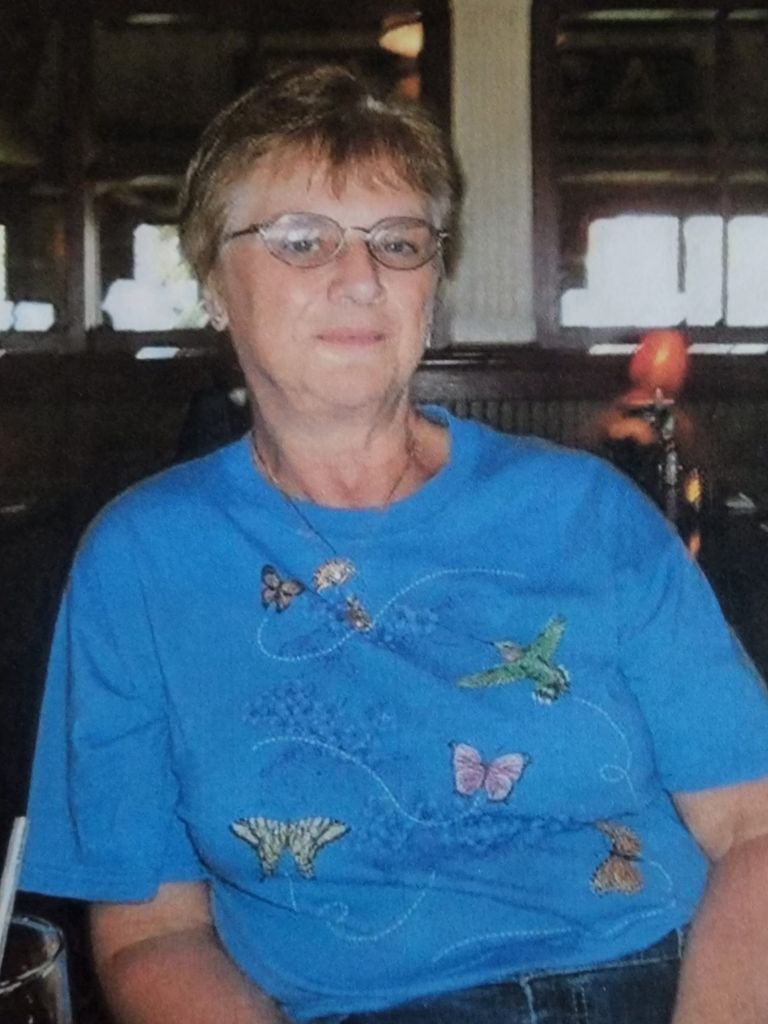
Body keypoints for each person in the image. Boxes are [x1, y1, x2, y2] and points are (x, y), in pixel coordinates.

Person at [20, 63, 768, 1024]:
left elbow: (753, 827)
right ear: (211, 282)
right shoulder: (139, 562)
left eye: (399, 242)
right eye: (302, 241)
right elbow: (152, 933)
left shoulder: (586, 510)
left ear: (431, 287)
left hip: (664, 980)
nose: (361, 277)